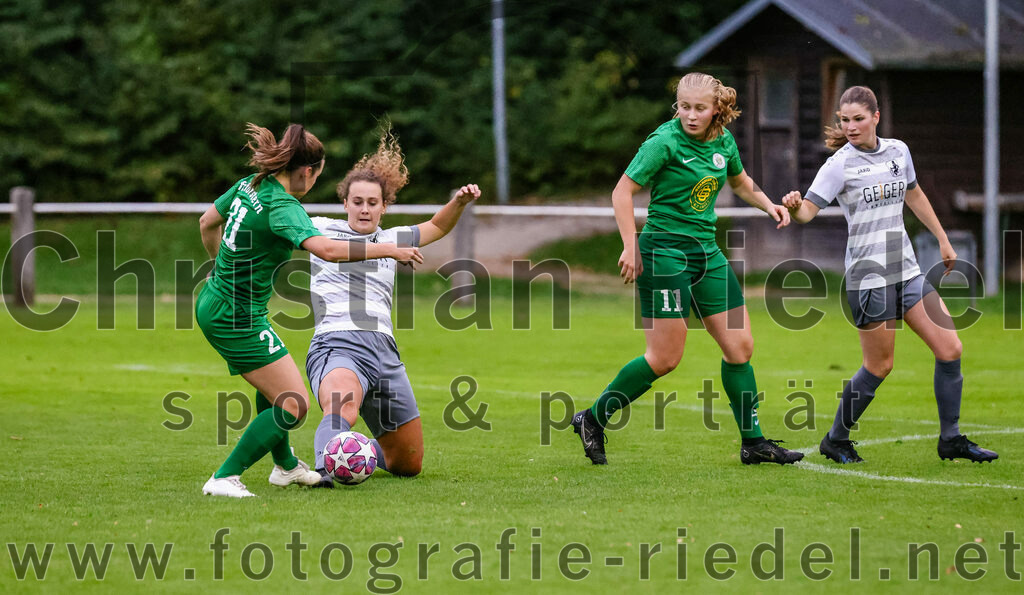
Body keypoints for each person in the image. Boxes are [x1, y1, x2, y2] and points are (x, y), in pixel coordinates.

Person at [570, 72, 804, 466]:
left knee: (740, 347)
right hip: (664, 253)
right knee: (664, 358)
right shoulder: (664, 141)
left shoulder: (723, 140)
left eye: (699, 108)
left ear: (716, 109)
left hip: (706, 253)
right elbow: (622, 191)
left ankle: (753, 443)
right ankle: (593, 418)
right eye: (683, 107)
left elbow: (740, 182)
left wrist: (769, 205)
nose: (690, 115)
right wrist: (630, 245)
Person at [196, 123, 424, 497]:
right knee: (294, 405)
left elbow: (207, 223)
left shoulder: (251, 184)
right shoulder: (283, 206)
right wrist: (389, 249)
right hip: (234, 315)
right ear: (307, 170)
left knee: (275, 389)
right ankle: (225, 476)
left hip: (222, 302)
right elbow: (328, 250)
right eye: (317, 175)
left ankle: (285, 467)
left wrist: (219, 268)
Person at [782, 85, 998, 464]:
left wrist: (943, 239)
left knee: (950, 349)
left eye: (858, 119)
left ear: (876, 117)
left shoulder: (899, 150)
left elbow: (915, 195)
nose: (850, 126)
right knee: (879, 366)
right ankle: (836, 439)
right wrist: (794, 205)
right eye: (844, 120)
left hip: (907, 271)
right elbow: (807, 214)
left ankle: (951, 439)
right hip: (869, 277)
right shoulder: (838, 165)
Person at [305, 128, 480, 486]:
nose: (364, 209)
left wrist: (459, 203)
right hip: (337, 342)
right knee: (342, 405)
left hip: (384, 352)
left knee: (407, 461)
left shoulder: (392, 237)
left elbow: (436, 226)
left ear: (384, 206)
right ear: (344, 203)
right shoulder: (319, 229)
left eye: (372, 202)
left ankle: (356, 451)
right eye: (357, 201)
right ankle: (324, 470)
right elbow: (276, 225)